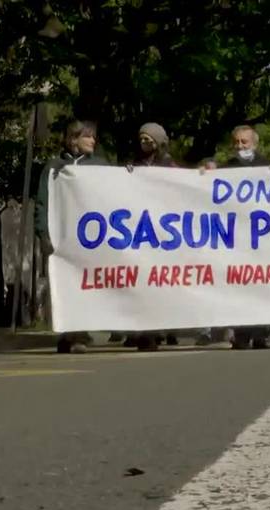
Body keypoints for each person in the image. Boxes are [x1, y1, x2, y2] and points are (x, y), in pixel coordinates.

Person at [34, 120, 108, 353]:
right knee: (64, 286)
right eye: (87, 136)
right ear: (73, 139)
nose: (93, 140)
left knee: (85, 285)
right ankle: (69, 333)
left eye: (94, 137)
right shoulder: (54, 167)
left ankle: (79, 334)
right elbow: (43, 202)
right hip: (62, 236)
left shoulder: (101, 166)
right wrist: (43, 232)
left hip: (91, 239)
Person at [124, 122, 180, 351]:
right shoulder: (135, 163)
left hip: (164, 231)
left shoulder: (169, 164)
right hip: (142, 230)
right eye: (142, 139)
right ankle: (144, 331)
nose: (145, 143)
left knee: (161, 283)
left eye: (149, 139)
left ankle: (163, 329)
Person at [223, 125, 270, 349]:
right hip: (237, 237)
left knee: (262, 285)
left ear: (255, 144)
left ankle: (260, 333)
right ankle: (241, 334)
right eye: (237, 142)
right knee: (240, 286)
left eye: (245, 142)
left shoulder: (268, 168)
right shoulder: (225, 169)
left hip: (262, 238)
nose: (240, 146)